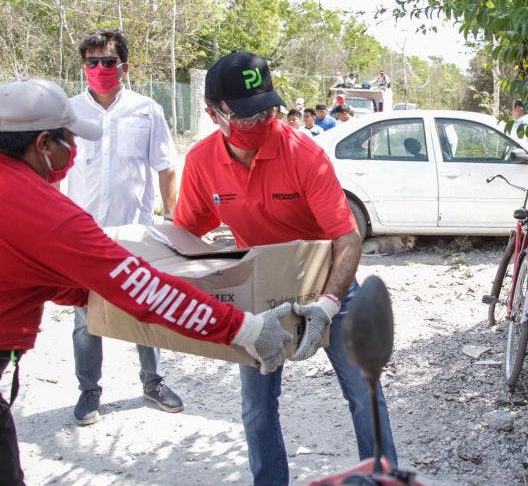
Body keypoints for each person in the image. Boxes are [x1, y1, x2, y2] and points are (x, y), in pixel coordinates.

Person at [0, 78, 295, 486]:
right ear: (43, 144)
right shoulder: (44, 210)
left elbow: (20, 271)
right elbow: (147, 292)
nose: (74, 152)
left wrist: (92, 289)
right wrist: (244, 328)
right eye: (69, 141)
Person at [173, 52, 396, 485]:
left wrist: (329, 304)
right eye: (246, 115)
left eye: (267, 110)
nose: (261, 123)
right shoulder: (201, 163)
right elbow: (184, 234)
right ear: (213, 114)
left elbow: (347, 236)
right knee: (257, 408)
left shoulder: (303, 154)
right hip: (260, 296)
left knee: (365, 392)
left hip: (330, 285)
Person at [64, 29, 183, 425]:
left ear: (124, 66)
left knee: (144, 309)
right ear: (84, 67)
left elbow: (166, 167)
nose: (100, 69)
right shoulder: (68, 113)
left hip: (136, 234)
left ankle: (153, 382)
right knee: (86, 319)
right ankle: (89, 392)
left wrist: (172, 220)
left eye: (108, 61)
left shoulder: (147, 110)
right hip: (83, 234)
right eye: (92, 62)